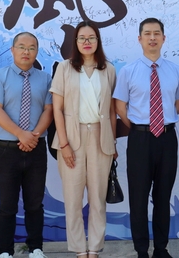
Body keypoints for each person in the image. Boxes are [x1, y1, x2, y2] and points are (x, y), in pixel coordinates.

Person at [114, 18, 179, 258]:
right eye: (147, 33)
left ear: (163, 38)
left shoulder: (175, 70)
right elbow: (120, 107)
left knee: (163, 197)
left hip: (167, 138)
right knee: (139, 197)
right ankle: (142, 250)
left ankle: (161, 249)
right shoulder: (128, 71)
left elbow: (177, 104)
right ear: (140, 38)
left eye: (156, 33)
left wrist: (161, 123)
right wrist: (138, 127)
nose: (152, 38)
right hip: (140, 139)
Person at [50, 21, 117, 258]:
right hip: (71, 137)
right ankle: (79, 249)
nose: (86, 42)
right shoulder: (64, 68)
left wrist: (112, 142)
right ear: (75, 42)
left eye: (91, 38)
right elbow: (57, 110)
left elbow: (111, 111)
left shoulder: (108, 69)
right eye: (82, 38)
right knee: (73, 199)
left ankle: (95, 248)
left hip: (101, 138)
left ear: (98, 41)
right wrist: (64, 144)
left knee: (98, 198)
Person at [0, 32, 53, 258]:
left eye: (32, 48)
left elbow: (49, 110)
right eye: (22, 47)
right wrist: (21, 134)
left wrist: (32, 136)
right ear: (12, 50)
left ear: (37, 52)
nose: (26, 51)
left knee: (35, 203)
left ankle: (36, 248)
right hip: (7, 149)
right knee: (7, 204)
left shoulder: (45, 78)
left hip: (36, 148)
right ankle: (5, 251)